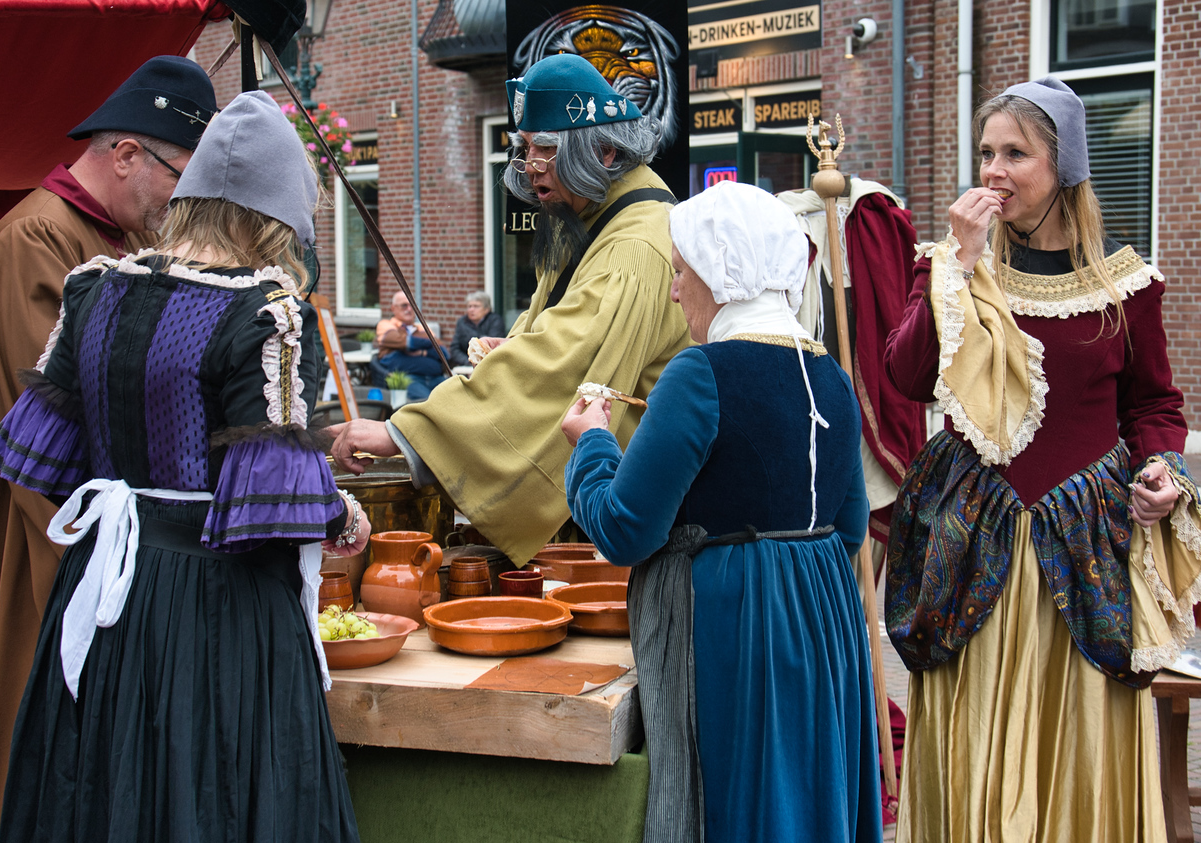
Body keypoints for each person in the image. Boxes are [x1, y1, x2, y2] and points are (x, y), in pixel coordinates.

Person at [0, 91, 365, 842]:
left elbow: (55, 459)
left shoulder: (94, 287)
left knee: (106, 783)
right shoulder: (264, 312)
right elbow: (269, 497)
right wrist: (341, 514)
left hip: (106, 584)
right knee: (212, 785)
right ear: (274, 219)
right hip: (214, 601)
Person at [884, 77, 1201, 842]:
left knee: (1081, 733)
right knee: (974, 731)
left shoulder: (1124, 284)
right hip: (973, 540)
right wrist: (957, 263)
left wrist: (1162, 469)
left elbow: (1154, 405)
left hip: (1084, 544)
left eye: (1014, 154)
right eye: (985, 152)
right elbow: (907, 374)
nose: (992, 170)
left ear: (1064, 167)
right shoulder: (950, 266)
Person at [561, 181, 882, 843]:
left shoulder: (700, 373)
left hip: (733, 628)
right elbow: (849, 528)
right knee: (804, 796)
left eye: (682, 271)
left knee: (736, 808)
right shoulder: (832, 377)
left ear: (719, 269)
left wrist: (591, 443)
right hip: (824, 626)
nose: (674, 291)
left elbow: (625, 528)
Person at [330, 53, 690, 565]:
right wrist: (516, 344)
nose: (530, 167)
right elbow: (551, 333)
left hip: (627, 522)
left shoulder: (632, 246)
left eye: (546, 149)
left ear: (605, 151)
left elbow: (563, 367)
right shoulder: (596, 217)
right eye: (525, 148)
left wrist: (406, 432)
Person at [0, 54, 215, 807]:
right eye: (179, 178)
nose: (182, 202)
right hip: (53, 527)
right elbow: (58, 409)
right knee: (45, 739)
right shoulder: (38, 234)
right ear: (125, 154)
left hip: (112, 529)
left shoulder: (116, 238)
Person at [370, 289, 449, 400]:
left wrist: (419, 351)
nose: (409, 309)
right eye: (404, 305)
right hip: (410, 379)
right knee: (428, 402)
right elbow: (405, 342)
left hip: (436, 378)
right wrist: (429, 347)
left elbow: (444, 353)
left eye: (412, 305)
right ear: (393, 308)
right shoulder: (386, 325)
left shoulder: (423, 328)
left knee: (457, 399)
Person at [447, 290, 506, 367]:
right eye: (469, 306)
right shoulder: (462, 322)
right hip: (466, 365)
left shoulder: (495, 321)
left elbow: (493, 345)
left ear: (486, 309)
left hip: (490, 364)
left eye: (476, 306)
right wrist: (469, 361)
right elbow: (454, 348)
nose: (471, 310)